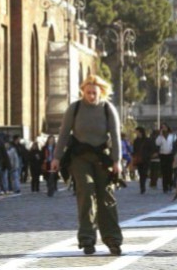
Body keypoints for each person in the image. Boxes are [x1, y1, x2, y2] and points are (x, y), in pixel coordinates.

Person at [51, 74, 123, 256]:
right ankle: (87, 238)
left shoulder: (108, 109)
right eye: (88, 92)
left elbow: (115, 136)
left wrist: (117, 161)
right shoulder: (74, 109)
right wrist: (56, 158)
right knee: (86, 193)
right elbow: (64, 134)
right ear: (83, 91)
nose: (91, 96)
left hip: (102, 158)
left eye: (95, 93)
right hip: (80, 158)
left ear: (101, 93)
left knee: (106, 196)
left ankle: (112, 239)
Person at [155, 123, 177, 193]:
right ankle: (165, 187)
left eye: (165, 127)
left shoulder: (172, 136)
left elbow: (175, 144)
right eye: (162, 127)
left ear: (167, 128)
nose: (164, 128)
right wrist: (160, 135)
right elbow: (157, 143)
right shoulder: (160, 137)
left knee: (169, 171)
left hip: (170, 155)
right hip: (163, 155)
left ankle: (170, 184)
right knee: (164, 171)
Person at [132, 126, 152, 194]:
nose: (135, 133)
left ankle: (143, 185)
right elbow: (134, 150)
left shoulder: (147, 140)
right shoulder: (136, 141)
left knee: (144, 173)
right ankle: (142, 187)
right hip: (139, 159)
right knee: (141, 173)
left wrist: (149, 155)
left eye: (136, 131)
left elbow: (150, 149)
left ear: (140, 132)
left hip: (146, 159)